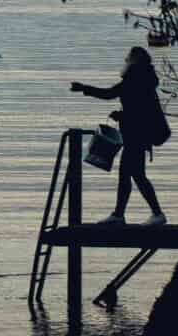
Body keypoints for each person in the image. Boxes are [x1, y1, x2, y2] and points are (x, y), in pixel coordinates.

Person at [70, 46, 170, 226]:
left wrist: (84, 88)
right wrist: (122, 115)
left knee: (135, 176)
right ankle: (122, 214)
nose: (125, 61)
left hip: (135, 137)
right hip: (138, 137)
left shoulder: (133, 81)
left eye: (128, 58)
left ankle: (152, 213)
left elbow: (111, 95)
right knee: (131, 175)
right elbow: (138, 108)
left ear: (134, 62)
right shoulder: (145, 81)